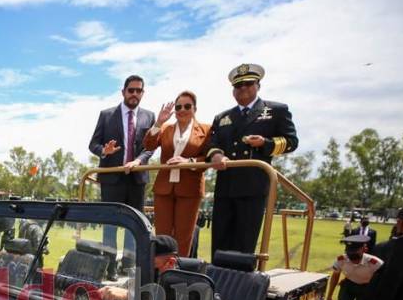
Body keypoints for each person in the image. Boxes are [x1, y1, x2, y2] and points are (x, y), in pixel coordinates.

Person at [206, 64, 298, 256]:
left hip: (252, 187)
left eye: (248, 84)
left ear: (258, 85)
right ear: (233, 91)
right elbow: (212, 144)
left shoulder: (275, 111)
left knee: (244, 243)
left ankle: (241, 284)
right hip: (225, 187)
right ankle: (218, 283)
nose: (243, 89)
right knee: (220, 242)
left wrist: (265, 143)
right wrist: (216, 155)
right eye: (238, 86)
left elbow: (291, 141)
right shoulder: (222, 117)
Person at [88, 74, 155, 252]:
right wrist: (104, 151)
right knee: (110, 226)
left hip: (137, 179)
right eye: (131, 90)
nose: (134, 94)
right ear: (123, 92)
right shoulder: (106, 115)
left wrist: (138, 160)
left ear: (143, 93)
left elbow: (151, 147)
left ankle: (129, 265)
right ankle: (109, 266)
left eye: (138, 90)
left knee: (134, 226)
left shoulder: (149, 116)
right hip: (111, 179)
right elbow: (93, 144)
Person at [143, 90, 212, 258]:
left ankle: (179, 273)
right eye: (178, 106)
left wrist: (188, 162)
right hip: (164, 188)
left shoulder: (206, 129)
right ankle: (159, 272)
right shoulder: (166, 128)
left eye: (187, 106)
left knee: (184, 236)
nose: (182, 110)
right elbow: (149, 144)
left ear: (195, 108)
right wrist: (158, 122)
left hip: (189, 189)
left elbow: (209, 157)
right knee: (162, 235)